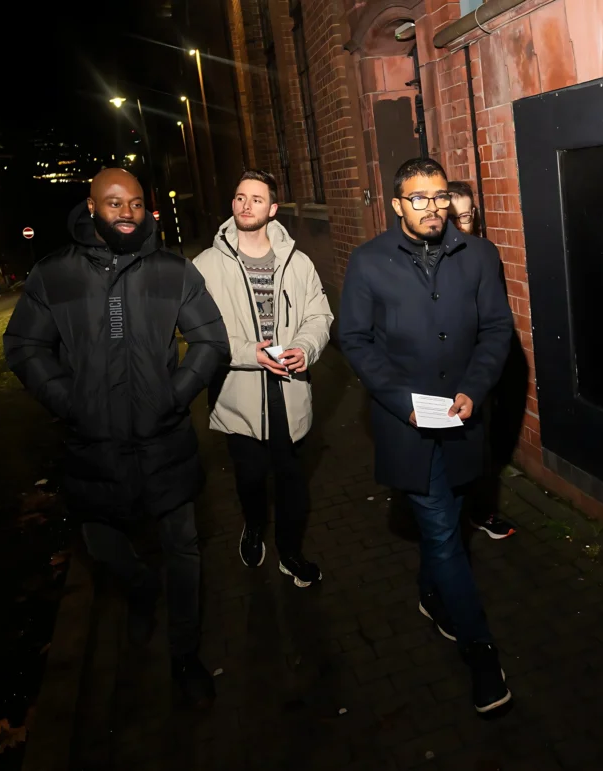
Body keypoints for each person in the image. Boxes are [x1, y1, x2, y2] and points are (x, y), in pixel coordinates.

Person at [4, 168, 229, 708]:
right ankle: (138, 586)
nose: (126, 212)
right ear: (91, 207)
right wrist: (70, 402)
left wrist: (174, 396)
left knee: (183, 549)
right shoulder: (54, 273)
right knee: (101, 543)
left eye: (134, 203)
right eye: (113, 203)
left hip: (164, 439)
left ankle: (183, 653)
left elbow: (210, 340)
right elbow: (24, 346)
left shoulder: (172, 271)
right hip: (93, 443)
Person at [339, 158, 514, 714]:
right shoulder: (368, 263)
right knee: (441, 533)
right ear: (397, 205)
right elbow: (356, 340)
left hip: (463, 419)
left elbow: (495, 330)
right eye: (419, 199)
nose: (433, 207)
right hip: (407, 426)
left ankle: (431, 594)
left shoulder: (479, 255)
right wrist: (402, 402)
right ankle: (481, 653)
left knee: (450, 524)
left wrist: (475, 388)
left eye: (440, 196)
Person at [194, 170, 333, 588]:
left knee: (292, 482)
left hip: (289, 390)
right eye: (240, 197)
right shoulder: (205, 265)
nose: (245, 205)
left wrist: (305, 349)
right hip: (239, 393)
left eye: (256, 199)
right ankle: (254, 525)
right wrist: (248, 353)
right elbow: (198, 333)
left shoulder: (298, 261)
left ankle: (290, 553)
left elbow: (319, 315)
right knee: (251, 478)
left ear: (273, 209)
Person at [448, 180, 519, 540]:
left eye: (468, 215)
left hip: (480, 370)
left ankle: (482, 512)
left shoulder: (484, 253)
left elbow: (496, 319)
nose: (464, 224)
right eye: (454, 217)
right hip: (446, 371)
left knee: (483, 444)